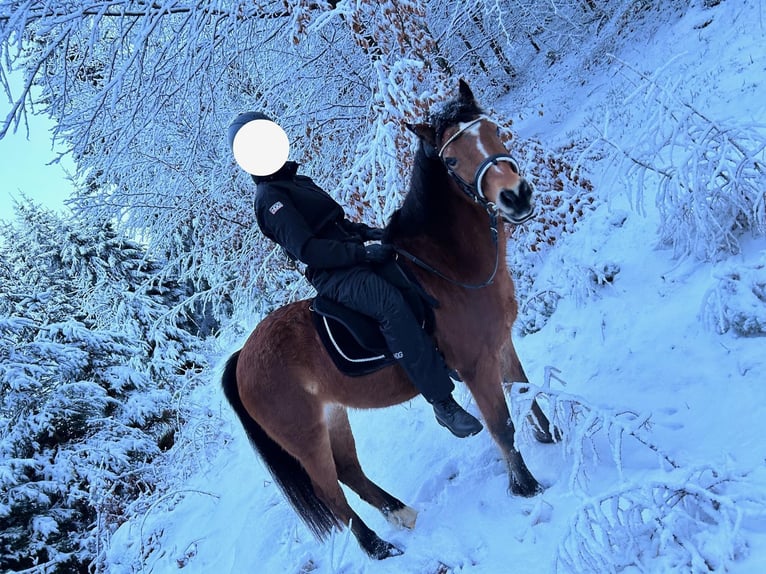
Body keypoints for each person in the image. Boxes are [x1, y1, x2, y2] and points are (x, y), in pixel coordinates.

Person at [228, 111, 483, 438]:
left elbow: (338, 224)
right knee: (388, 303)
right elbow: (308, 249)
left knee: (413, 272)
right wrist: (360, 252)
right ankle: (442, 402)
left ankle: (444, 354)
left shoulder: (295, 181)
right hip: (333, 273)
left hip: (351, 254)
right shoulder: (270, 199)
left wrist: (374, 233)